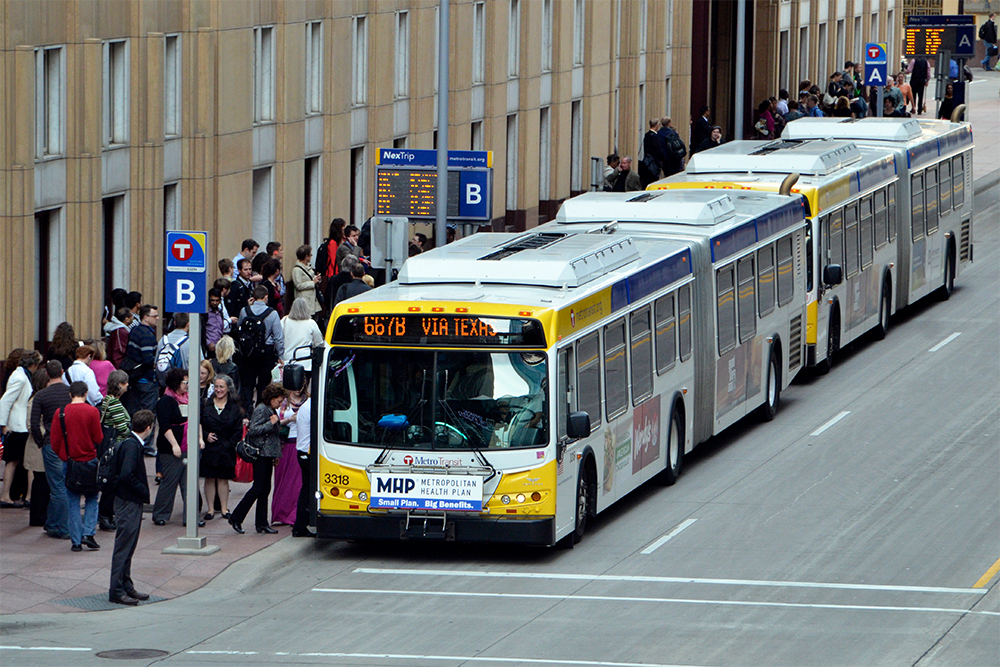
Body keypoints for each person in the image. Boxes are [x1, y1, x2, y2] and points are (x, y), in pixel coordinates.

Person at [50, 381, 104, 552]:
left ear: (70, 394)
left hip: (70, 462)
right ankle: (89, 532)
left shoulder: (61, 413)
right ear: (86, 393)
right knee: (91, 498)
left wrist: (64, 455)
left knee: (72, 501)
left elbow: (54, 441)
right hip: (89, 460)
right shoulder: (93, 411)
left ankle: (76, 541)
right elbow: (98, 437)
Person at [108, 409, 154, 606]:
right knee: (124, 545)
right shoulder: (132, 447)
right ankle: (117, 589)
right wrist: (142, 490)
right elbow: (127, 475)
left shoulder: (130, 443)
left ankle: (126, 584)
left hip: (126, 500)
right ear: (149, 428)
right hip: (128, 501)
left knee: (129, 545)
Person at [228, 383, 287, 534]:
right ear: (271, 398)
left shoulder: (270, 409)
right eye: (278, 401)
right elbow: (253, 429)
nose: (280, 404)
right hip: (260, 453)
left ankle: (261, 523)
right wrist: (271, 423)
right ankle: (237, 516)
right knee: (258, 488)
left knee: (265, 489)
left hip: (267, 454)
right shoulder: (262, 409)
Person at [151, 368, 200, 527]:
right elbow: (164, 426)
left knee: (189, 483)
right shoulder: (165, 402)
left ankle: (191, 517)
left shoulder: (188, 398)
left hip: (188, 444)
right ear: (176, 383)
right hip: (172, 448)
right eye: (185, 382)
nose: (187, 385)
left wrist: (199, 438)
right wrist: (174, 445)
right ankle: (161, 514)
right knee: (170, 482)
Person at [30, 361, 72, 539]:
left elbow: (33, 423)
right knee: (64, 485)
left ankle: (60, 526)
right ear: (62, 372)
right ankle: (54, 524)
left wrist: (41, 441)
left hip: (51, 443)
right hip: (70, 443)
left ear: (47, 374)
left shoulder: (41, 396)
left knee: (56, 486)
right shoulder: (71, 393)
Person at [1, 350, 42, 507]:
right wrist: (3, 425)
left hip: (19, 425)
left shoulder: (21, 376)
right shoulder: (20, 378)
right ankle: (21, 496)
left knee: (17, 462)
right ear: (32, 364)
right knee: (20, 462)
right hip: (18, 426)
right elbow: (5, 401)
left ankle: (21, 495)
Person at [199, 374, 243, 522]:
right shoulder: (205, 404)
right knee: (210, 478)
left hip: (226, 448)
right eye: (216, 386)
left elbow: (238, 430)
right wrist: (205, 435)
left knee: (223, 479)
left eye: (221, 387)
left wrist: (229, 445)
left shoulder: (234, 407)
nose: (218, 390)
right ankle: (210, 508)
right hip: (210, 448)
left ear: (228, 388)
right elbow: (198, 424)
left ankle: (224, 508)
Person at [237, 285, 284, 410]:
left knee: (248, 382)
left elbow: (239, 327)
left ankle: (247, 408)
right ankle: (260, 408)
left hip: (248, 352)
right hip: (266, 352)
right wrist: (280, 356)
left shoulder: (244, 311)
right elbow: (278, 337)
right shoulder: (272, 313)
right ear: (266, 297)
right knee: (263, 383)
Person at [270, 375, 306, 526]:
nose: (299, 388)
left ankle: (294, 515)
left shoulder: (308, 401)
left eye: (302, 384)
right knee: (283, 481)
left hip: (302, 443)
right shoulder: (282, 402)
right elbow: (275, 423)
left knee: (298, 482)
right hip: (285, 445)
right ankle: (281, 513)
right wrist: (290, 420)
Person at [97, 370, 131, 531]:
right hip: (116, 446)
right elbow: (122, 428)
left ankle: (106, 514)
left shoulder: (106, 400)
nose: (127, 386)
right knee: (112, 483)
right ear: (119, 385)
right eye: (125, 383)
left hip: (108, 445)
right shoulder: (115, 403)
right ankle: (105, 515)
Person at [122, 305, 159, 443]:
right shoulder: (147, 335)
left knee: (134, 412)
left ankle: (132, 440)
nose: (157, 318)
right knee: (148, 414)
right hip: (146, 380)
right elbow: (148, 359)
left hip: (134, 378)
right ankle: (147, 445)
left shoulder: (135, 331)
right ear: (145, 317)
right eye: (154, 316)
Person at [24, 368, 50, 526]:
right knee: (40, 482)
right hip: (37, 446)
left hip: (42, 444)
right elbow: (31, 424)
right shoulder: (35, 400)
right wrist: (46, 436)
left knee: (43, 482)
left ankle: (42, 514)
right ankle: (38, 516)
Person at [291, 389, 314, 538]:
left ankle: (300, 525)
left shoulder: (307, 405)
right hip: (307, 453)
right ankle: (300, 525)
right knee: (308, 489)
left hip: (304, 452)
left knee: (307, 488)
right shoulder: (312, 406)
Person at [281, 298, 325, 370]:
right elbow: (319, 342)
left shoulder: (284, 320)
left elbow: (278, 338)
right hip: (305, 362)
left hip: (287, 360)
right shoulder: (311, 323)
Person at [316, 218, 346, 311]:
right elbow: (333, 261)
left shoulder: (340, 241)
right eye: (343, 228)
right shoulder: (333, 243)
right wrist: (336, 275)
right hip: (332, 276)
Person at [290, 245, 322, 316]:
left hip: (312, 299)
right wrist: (313, 283)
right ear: (306, 256)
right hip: (304, 299)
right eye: (310, 255)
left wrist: (316, 278)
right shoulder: (297, 270)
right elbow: (298, 285)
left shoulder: (308, 267)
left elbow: (310, 277)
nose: (311, 257)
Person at [203, 288, 230, 355]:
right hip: (209, 348)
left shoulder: (220, 312)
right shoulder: (205, 314)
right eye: (213, 300)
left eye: (217, 300)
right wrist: (208, 343)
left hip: (219, 347)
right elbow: (202, 330)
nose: (215, 303)